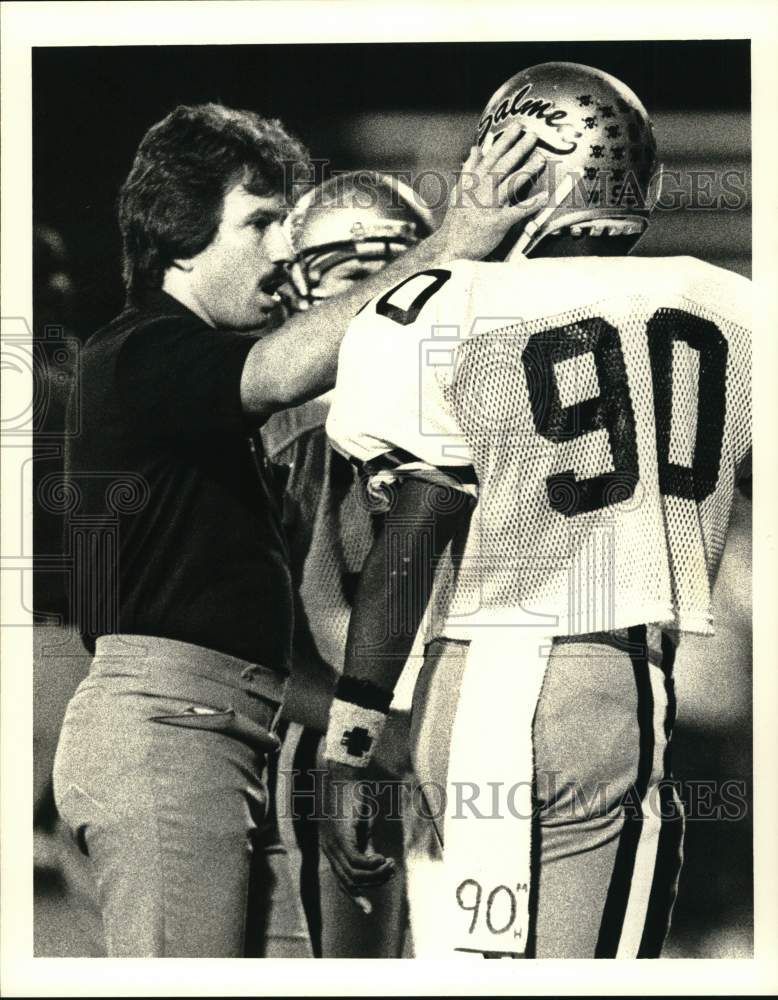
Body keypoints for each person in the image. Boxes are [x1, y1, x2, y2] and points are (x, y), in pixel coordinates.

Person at [50, 101, 548, 957]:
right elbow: (282, 371)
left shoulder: (169, 377)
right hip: (174, 731)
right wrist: (449, 243)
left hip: (222, 728)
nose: (283, 248)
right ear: (179, 229)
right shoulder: (143, 351)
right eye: (261, 221)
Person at [319, 63, 752, 958]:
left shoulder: (438, 306)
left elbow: (412, 530)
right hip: (604, 678)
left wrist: (354, 738)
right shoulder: (734, 307)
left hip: (458, 690)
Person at [263, 170, 436, 957]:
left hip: (436, 735)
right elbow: (308, 639)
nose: (376, 305)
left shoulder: (455, 410)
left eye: (394, 276)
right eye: (354, 280)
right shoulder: (307, 437)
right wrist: (373, 740)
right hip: (351, 740)